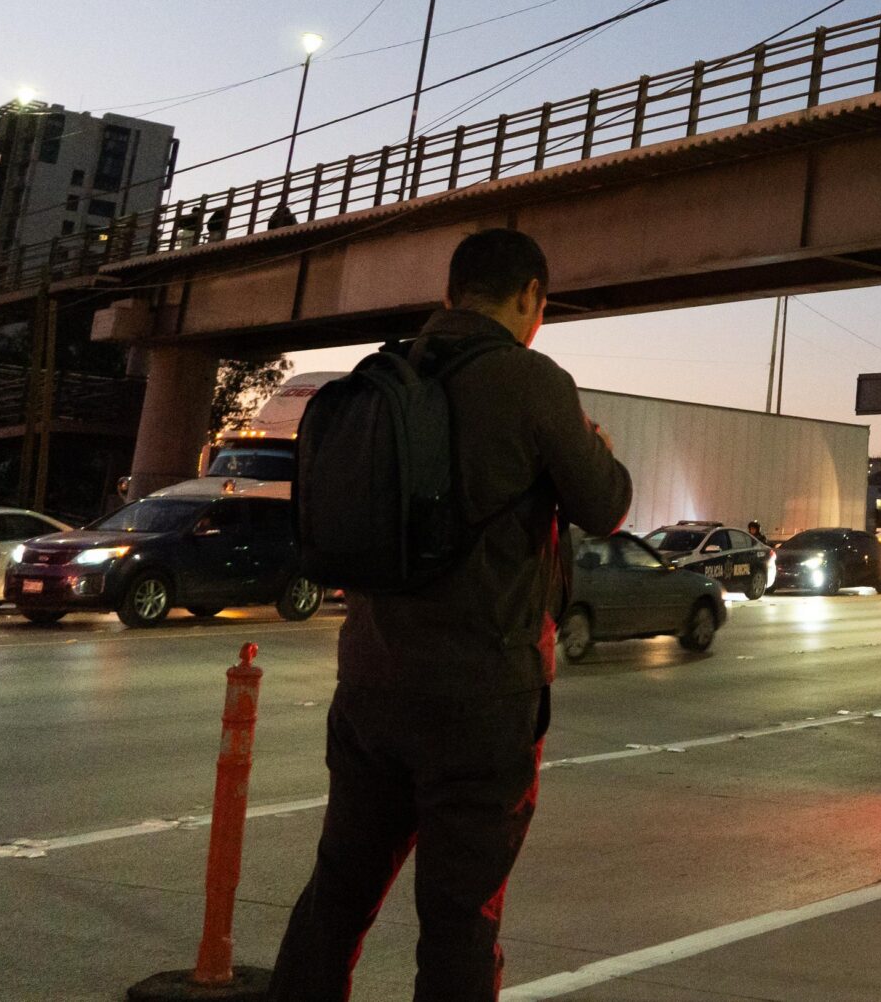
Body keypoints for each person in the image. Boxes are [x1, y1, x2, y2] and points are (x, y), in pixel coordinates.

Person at [269, 227, 633, 1002]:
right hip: (480, 699)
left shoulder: (387, 373)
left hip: (369, 683)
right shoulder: (531, 381)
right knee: (460, 921)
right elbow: (606, 505)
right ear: (531, 299)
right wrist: (595, 444)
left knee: (336, 894)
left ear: (449, 293)